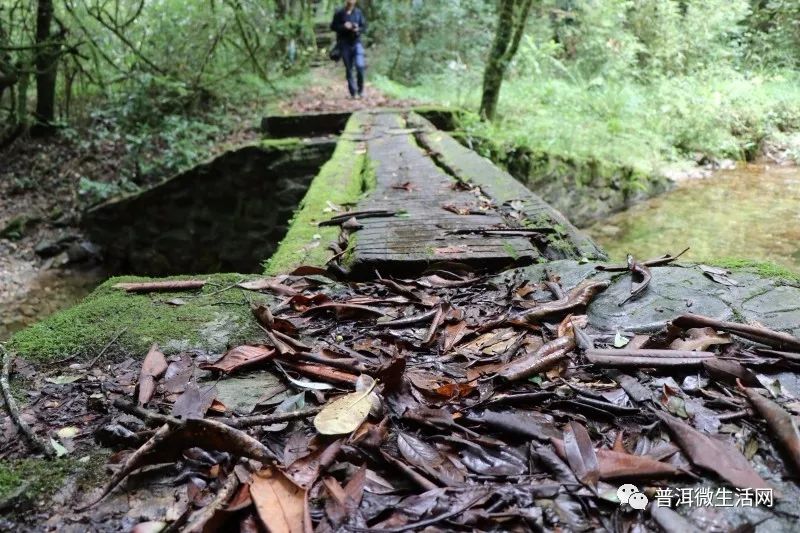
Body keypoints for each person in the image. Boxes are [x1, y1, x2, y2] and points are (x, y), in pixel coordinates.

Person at [331, 0, 367, 99]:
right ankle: (353, 92)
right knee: (349, 68)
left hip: (357, 43)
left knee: (360, 66)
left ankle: (361, 91)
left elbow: (364, 27)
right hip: (344, 44)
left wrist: (357, 29)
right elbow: (333, 26)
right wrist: (344, 26)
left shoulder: (358, 13)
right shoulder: (339, 13)